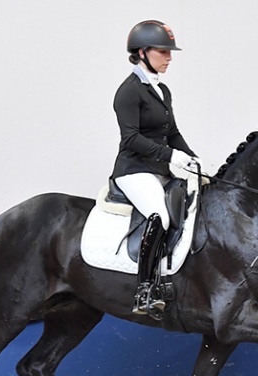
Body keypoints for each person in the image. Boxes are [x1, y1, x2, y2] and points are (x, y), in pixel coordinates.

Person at [110, 20, 200, 320]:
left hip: (160, 165)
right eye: (163, 51)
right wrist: (170, 155)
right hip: (134, 168)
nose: (169, 57)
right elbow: (131, 138)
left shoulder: (163, 91)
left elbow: (172, 131)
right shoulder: (128, 92)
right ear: (142, 52)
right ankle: (145, 289)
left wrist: (192, 157)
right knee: (159, 216)